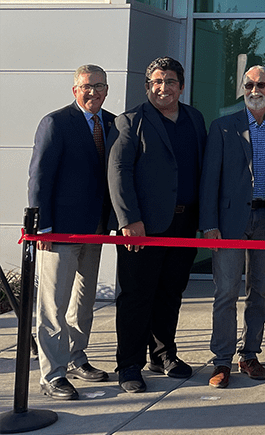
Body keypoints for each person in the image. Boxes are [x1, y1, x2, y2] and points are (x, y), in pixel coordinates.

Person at [107, 57, 207, 393]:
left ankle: (163, 354)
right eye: (158, 81)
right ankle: (129, 364)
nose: (164, 88)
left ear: (182, 85)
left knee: (171, 291)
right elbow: (119, 173)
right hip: (143, 226)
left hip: (184, 222)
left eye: (171, 81)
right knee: (137, 295)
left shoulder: (195, 118)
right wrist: (129, 220)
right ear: (148, 85)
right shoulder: (130, 121)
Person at [199, 65, 265, 388]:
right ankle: (222, 361)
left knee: (261, 292)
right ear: (243, 88)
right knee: (225, 291)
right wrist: (209, 224)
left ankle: (250, 354)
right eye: (249, 84)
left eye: (261, 84)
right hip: (228, 223)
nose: (255, 90)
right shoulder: (223, 127)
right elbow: (209, 179)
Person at [28, 64, 114, 400]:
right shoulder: (56, 122)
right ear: (75, 89)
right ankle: (52, 375)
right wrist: (42, 225)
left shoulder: (111, 123)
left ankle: (77, 359)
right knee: (53, 306)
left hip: (95, 229)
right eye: (87, 86)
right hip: (59, 230)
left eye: (100, 86)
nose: (93, 92)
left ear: (107, 90)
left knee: (83, 301)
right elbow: (39, 177)